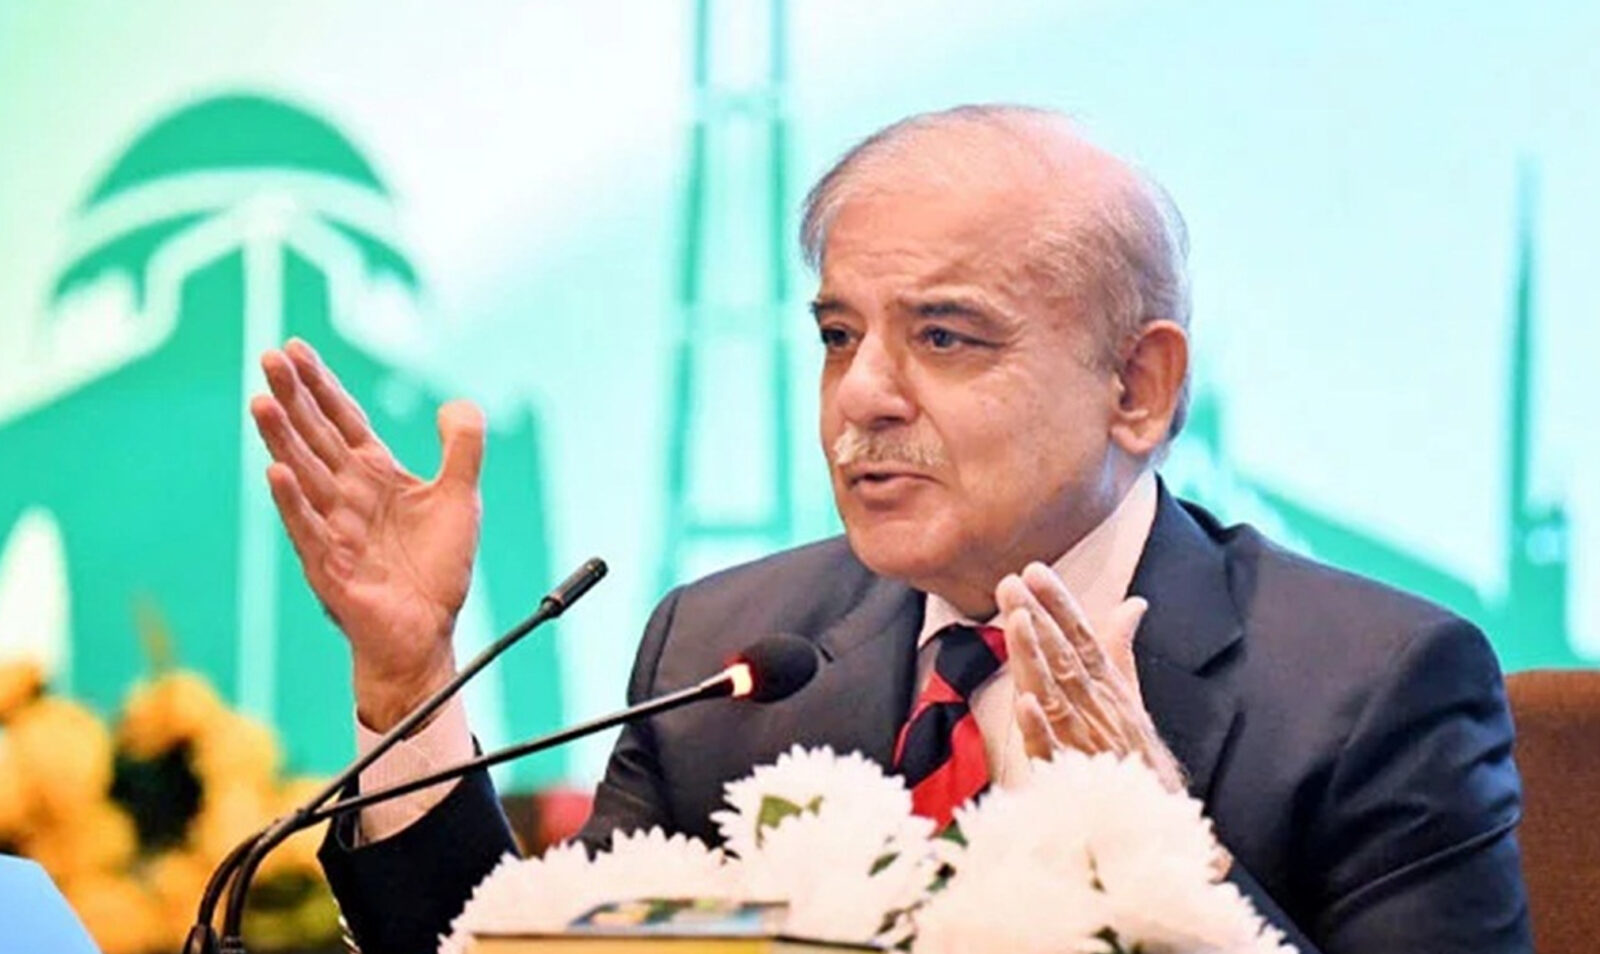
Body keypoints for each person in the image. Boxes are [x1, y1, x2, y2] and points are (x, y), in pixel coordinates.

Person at [250, 105, 1530, 954]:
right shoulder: (727, 655)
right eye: (836, 334)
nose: (860, 394)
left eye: (945, 337)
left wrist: (1163, 863)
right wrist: (411, 684)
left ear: (1137, 388)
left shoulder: (1369, 688)